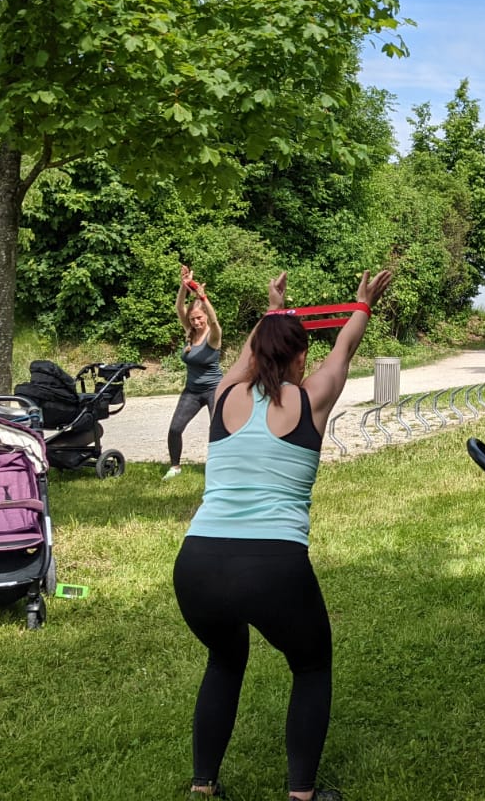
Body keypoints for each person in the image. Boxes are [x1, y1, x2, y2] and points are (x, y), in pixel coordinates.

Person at [172, 267, 394, 800]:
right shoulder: (310, 400)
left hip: (198, 563)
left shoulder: (224, 394)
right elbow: (343, 350)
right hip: (271, 566)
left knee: (225, 659)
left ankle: (203, 786)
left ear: (255, 353)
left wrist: (274, 310)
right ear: (299, 359)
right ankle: (301, 794)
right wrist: (362, 305)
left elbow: (254, 350)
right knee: (311, 667)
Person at [166, 264, 223, 480]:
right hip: (192, 391)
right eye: (193, 319)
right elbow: (179, 307)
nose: (196, 322)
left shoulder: (213, 336)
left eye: (199, 318)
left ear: (205, 316)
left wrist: (203, 297)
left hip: (214, 389)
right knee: (175, 429)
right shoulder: (190, 331)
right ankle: (175, 467)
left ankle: (218, 468)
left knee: (217, 431)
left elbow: (215, 321)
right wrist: (184, 285)